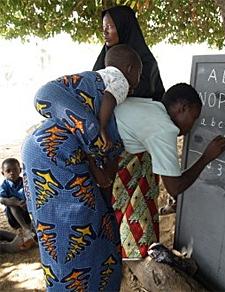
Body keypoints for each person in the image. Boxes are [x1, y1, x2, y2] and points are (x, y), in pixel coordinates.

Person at [21, 44, 142, 291]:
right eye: (137, 77)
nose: (136, 86)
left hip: (38, 155)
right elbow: (105, 102)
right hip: (54, 159)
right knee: (77, 230)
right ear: (129, 69)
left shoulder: (76, 97)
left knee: (58, 233)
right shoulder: (115, 86)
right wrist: (98, 132)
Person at [108, 83, 225, 259]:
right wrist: (206, 157)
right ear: (182, 109)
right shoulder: (163, 128)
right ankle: (134, 250)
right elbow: (175, 187)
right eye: (193, 118)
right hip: (97, 162)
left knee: (147, 162)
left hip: (100, 153)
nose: (192, 126)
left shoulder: (151, 107)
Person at [93, 5, 165, 101]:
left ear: (124, 27)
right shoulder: (103, 59)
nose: (105, 32)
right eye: (104, 27)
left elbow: (154, 95)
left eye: (109, 27)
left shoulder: (147, 63)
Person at [0, 158, 34, 244]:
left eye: (15, 169)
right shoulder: (5, 186)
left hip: (26, 212)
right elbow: (2, 200)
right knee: (11, 201)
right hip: (14, 218)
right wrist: (17, 203)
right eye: (8, 171)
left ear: (20, 170)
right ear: (3, 173)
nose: (12, 172)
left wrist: (26, 202)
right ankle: (25, 228)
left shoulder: (26, 182)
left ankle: (34, 224)